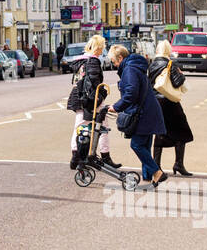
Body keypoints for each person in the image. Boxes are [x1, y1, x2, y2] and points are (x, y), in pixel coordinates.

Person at [108, 44, 169, 188]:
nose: (114, 64)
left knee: (136, 145)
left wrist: (116, 107)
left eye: (114, 61)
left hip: (143, 113)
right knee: (145, 146)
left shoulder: (129, 69)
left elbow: (131, 92)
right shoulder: (135, 66)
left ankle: (157, 172)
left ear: (120, 58)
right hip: (148, 111)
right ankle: (148, 179)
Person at [66, 34, 118, 169]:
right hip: (90, 100)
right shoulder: (93, 61)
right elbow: (94, 83)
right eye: (102, 48)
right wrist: (101, 96)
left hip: (78, 97)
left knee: (79, 128)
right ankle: (104, 157)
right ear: (98, 48)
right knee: (102, 127)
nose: (102, 51)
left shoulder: (80, 61)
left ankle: (76, 157)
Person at [149, 40, 193, 176]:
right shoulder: (170, 64)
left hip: (156, 103)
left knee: (160, 133)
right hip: (170, 102)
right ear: (168, 51)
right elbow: (177, 82)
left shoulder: (152, 65)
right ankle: (179, 163)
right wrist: (181, 74)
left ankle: (156, 166)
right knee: (182, 131)